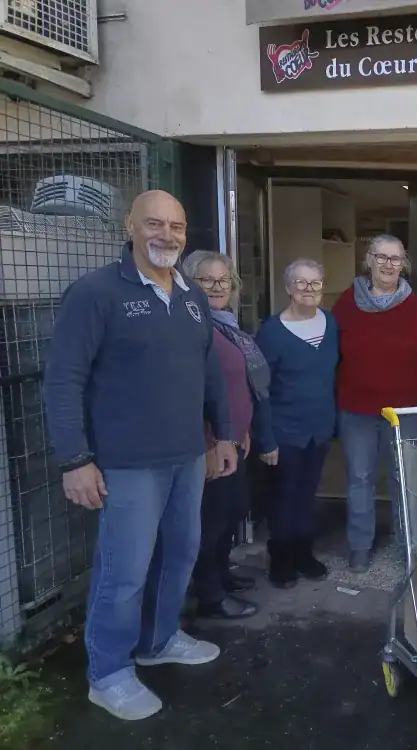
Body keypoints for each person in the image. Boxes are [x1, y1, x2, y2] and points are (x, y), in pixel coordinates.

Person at [42, 190, 237, 721]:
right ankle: (108, 673)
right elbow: (63, 381)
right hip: (125, 463)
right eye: (154, 223)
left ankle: (158, 639)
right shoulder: (96, 292)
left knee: (179, 555)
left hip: (186, 456)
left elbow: (210, 372)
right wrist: (74, 459)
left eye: (177, 225)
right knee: (122, 572)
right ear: (130, 225)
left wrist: (223, 433)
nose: (167, 235)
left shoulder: (193, 295)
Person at [333, 235, 417, 574]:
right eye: (381, 257)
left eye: (395, 259)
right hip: (357, 408)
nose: (388, 264)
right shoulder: (347, 303)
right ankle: (360, 546)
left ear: (403, 264)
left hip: (404, 411)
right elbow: (330, 352)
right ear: (369, 259)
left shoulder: (416, 306)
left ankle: (408, 545)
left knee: (406, 479)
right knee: (359, 478)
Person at [183, 251, 270, 620]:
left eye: (224, 280)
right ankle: (210, 596)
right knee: (212, 519)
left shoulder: (226, 325)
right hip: (209, 442)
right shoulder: (192, 328)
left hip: (233, 437)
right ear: (189, 283)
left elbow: (239, 385)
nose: (218, 287)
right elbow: (191, 392)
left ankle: (221, 574)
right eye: (207, 280)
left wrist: (243, 428)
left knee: (232, 509)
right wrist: (210, 441)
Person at [254, 259, 339, 589]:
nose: (309, 289)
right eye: (301, 283)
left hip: (319, 429)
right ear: (288, 288)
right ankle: (281, 558)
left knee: (307, 494)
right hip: (284, 431)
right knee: (283, 496)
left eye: (315, 283)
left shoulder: (331, 325)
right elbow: (260, 390)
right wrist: (266, 439)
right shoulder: (272, 332)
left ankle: (304, 553)